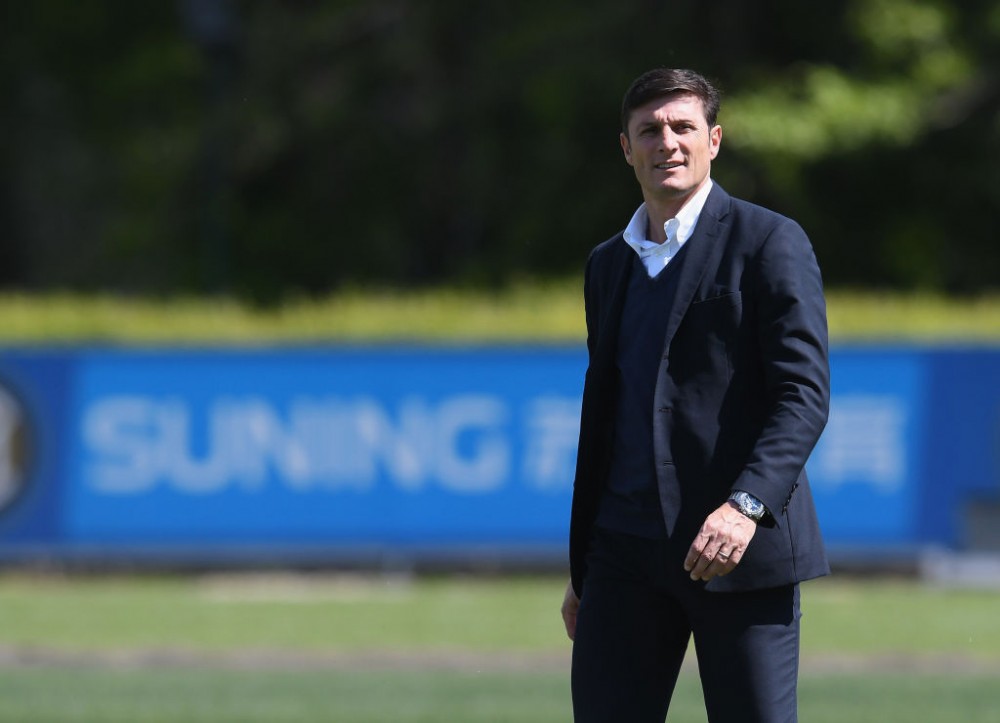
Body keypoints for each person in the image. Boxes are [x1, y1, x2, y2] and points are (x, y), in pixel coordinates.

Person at [560, 68, 831, 722]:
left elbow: (802, 393)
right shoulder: (607, 264)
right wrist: (584, 568)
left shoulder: (769, 241)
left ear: (714, 139)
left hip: (737, 547)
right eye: (649, 130)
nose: (667, 143)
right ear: (626, 148)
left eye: (683, 127)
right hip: (622, 553)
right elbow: (610, 414)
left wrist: (745, 506)